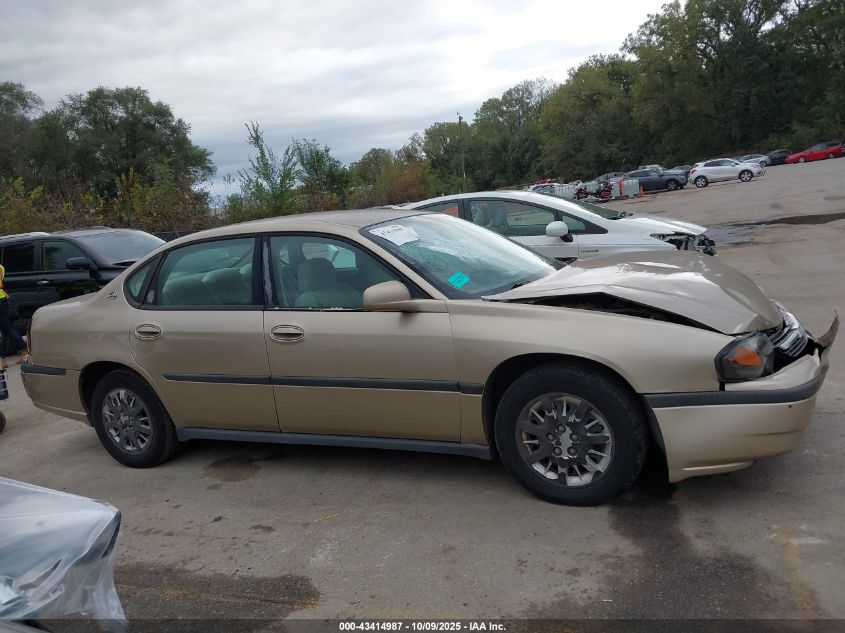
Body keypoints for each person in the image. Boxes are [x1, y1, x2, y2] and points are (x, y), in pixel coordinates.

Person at [0, 263, 27, 357]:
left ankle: (1, 360)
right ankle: (24, 352)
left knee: (7, 329)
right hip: (2, 299)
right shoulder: (1, 267)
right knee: (8, 329)